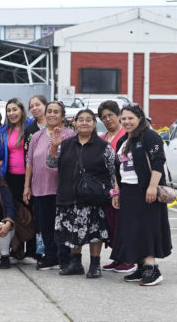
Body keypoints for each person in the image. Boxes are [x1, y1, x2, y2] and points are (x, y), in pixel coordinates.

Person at [47, 109, 116, 278]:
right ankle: (75, 263)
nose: (84, 123)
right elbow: (50, 163)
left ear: (94, 124)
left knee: (95, 232)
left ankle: (95, 265)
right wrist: (54, 146)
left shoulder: (104, 146)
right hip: (68, 194)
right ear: (75, 123)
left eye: (88, 120)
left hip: (94, 197)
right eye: (81, 120)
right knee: (72, 231)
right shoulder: (66, 143)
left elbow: (113, 171)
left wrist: (115, 192)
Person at [110, 104, 172, 286]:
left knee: (147, 228)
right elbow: (117, 169)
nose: (127, 122)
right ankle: (140, 267)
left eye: (131, 118)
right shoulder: (123, 141)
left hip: (145, 189)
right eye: (124, 119)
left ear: (140, 118)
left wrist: (152, 187)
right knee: (132, 230)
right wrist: (116, 192)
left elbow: (158, 162)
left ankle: (152, 269)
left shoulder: (150, 136)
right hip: (128, 190)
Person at [24, 100, 75, 271]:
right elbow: (29, 162)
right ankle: (50, 256)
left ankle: (65, 257)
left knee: (62, 224)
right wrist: (27, 186)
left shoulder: (70, 135)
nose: (52, 114)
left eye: (56, 112)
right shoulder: (37, 136)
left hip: (62, 189)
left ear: (62, 116)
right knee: (45, 225)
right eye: (49, 111)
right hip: (39, 187)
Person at [0, 97, 36, 261]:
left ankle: (31, 252)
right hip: (10, 177)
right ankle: (16, 250)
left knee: (29, 214)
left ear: (22, 111)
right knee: (14, 213)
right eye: (9, 110)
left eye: (15, 109)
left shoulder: (31, 127)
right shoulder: (5, 130)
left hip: (28, 177)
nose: (12, 113)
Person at [96, 100, 133, 273]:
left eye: (110, 115)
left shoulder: (126, 135)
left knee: (123, 223)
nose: (107, 119)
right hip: (105, 188)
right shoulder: (102, 137)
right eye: (104, 117)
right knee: (110, 224)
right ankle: (117, 257)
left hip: (123, 186)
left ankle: (128, 259)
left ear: (118, 115)